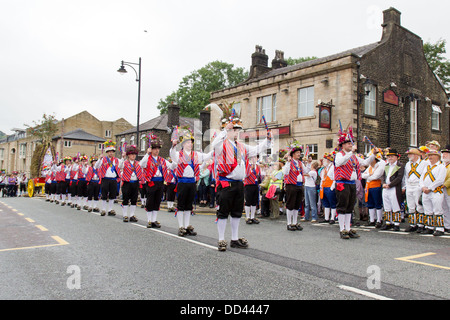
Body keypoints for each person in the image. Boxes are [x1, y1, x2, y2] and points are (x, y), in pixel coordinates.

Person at [212, 106, 270, 251]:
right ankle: (221, 239)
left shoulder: (242, 146)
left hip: (239, 184)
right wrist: (225, 130)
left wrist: (267, 141)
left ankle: (234, 238)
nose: (236, 133)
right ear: (228, 131)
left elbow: (256, 149)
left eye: (237, 130)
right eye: (234, 130)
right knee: (223, 212)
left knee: (237, 212)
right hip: (226, 183)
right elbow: (214, 144)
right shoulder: (221, 145)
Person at [170, 128, 213, 237]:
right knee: (181, 205)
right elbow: (172, 154)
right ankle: (181, 227)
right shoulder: (178, 154)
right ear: (183, 144)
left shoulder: (196, 154)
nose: (191, 144)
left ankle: (187, 225)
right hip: (182, 182)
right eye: (188, 142)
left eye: (191, 142)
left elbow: (207, 156)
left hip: (192, 183)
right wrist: (174, 145)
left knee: (189, 205)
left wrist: (214, 149)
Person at [334, 127, 375, 239]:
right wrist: (350, 153)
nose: (351, 145)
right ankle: (342, 229)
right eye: (348, 144)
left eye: (351, 144)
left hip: (352, 183)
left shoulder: (353, 156)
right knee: (342, 206)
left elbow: (365, 162)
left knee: (349, 206)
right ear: (343, 145)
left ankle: (348, 228)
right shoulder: (339, 155)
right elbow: (339, 163)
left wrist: (373, 155)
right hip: (342, 183)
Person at [141, 133, 171, 229]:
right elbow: (141, 165)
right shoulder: (147, 159)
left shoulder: (162, 160)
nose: (157, 150)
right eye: (155, 148)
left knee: (157, 201)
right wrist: (147, 153)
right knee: (150, 201)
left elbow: (171, 166)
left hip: (160, 182)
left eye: (158, 148)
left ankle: (154, 220)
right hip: (151, 182)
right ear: (151, 149)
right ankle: (149, 220)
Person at [282, 140, 309, 231]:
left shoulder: (300, 163)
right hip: (291, 185)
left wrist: (307, 162)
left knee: (297, 205)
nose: (299, 154)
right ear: (293, 154)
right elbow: (285, 172)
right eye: (297, 153)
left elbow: (306, 171)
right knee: (290, 204)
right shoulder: (289, 162)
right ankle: (289, 223)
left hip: (299, 185)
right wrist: (288, 162)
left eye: (299, 153)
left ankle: (294, 222)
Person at [420, 150, 447, 236]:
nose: (430, 157)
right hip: (426, 192)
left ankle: (440, 228)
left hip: (436, 191)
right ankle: (429, 227)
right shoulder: (427, 167)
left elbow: (440, 180)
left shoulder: (441, 167)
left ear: (437, 157)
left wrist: (430, 188)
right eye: (429, 155)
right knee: (428, 210)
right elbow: (421, 178)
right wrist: (423, 186)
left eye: (432, 155)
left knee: (438, 210)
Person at [403, 148, 427, 232]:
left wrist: (422, 186)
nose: (408, 156)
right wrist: (406, 185)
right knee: (410, 206)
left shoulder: (424, 163)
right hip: (409, 186)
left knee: (419, 206)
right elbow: (406, 176)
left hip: (418, 186)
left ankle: (421, 225)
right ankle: (412, 224)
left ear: (416, 155)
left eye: (410, 154)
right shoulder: (407, 164)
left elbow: (424, 176)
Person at [94, 141, 121, 216]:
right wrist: (99, 159)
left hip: (113, 179)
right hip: (105, 179)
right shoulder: (103, 159)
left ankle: (110, 209)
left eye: (112, 152)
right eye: (109, 152)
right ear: (107, 152)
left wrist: (123, 157)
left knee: (112, 195)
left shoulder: (116, 160)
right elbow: (96, 166)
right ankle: (103, 209)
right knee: (104, 194)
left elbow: (121, 165)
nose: (111, 153)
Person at [381, 149, 405, 231]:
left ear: (396, 157)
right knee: (387, 206)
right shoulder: (387, 165)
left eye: (392, 156)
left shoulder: (400, 165)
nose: (390, 158)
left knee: (395, 206)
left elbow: (399, 177)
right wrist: (383, 183)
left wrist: (390, 185)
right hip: (386, 188)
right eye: (388, 156)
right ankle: (388, 222)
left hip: (394, 188)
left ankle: (396, 224)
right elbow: (383, 176)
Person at [119, 145, 144, 223]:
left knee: (134, 199)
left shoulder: (138, 163)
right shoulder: (125, 162)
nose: (133, 156)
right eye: (131, 154)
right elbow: (119, 166)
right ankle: (125, 215)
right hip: (127, 183)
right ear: (128, 155)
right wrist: (122, 158)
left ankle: (132, 215)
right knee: (126, 199)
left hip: (135, 183)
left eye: (134, 154)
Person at [362, 149, 386, 228]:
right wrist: (369, 174)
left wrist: (368, 176)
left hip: (376, 187)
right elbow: (362, 175)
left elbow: (376, 176)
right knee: (370, 204)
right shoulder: (369, 167)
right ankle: (372, 220)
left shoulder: (379, 166)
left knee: (377, 203)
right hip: (368, 187)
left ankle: (379, 220)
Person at [319, 152, 337, 224]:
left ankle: (332, 218)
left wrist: (332, 187)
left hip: (330, 187)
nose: (323, 161)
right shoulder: (324, 169)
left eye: (324, 160)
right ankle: (326, 218)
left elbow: (334, 177)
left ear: (328, 160)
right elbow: (322, 177)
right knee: (325, 203)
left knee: (332, 203)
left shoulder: (333, 167)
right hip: (324, 187)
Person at [244, 156, 261, 224]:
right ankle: (247, 217)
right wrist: (250, 169)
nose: (254, 159)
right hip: (248, 185)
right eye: (253, 158)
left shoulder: (258, 166)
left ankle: (252, 217)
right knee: (248, 201)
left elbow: (258, 176)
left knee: (254, 201)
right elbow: (245, 175)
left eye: (256, 158)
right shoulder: (247, 166)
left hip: (255, 185)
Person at [441, 145, 450, 232]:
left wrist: (444, 184)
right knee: (444, 208)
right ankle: (447, 226)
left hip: (448, 188)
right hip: (441, 190)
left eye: (446, 154)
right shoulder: (441, 165)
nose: (444, 155)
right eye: (443, 153)